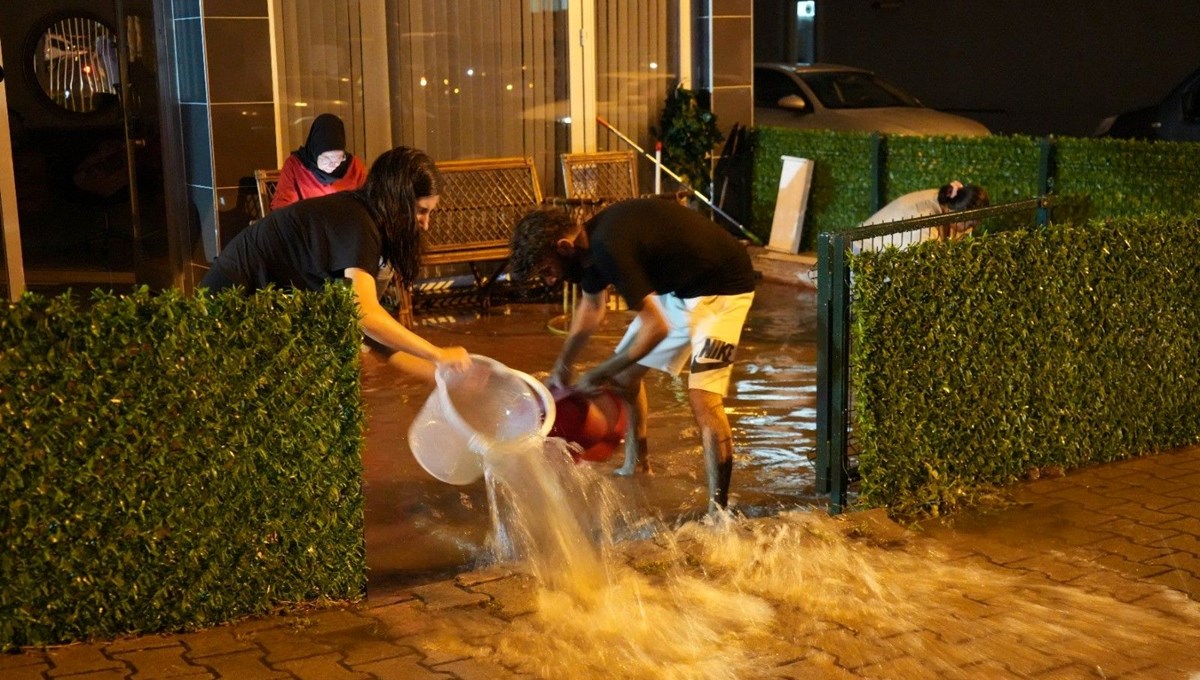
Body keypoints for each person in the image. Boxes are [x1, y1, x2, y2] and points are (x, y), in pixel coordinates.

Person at [509, 198, 757, 513]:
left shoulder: (609, 246)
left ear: (563, 248)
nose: (549, 281)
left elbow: (657, 328)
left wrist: (599, 373)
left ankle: (718, 513)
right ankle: (638, 463)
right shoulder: (587, 250)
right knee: (624, 379)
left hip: (723, 287)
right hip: (681, 288)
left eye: (546, 271)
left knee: (703, 399)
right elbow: (591, 308)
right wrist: (562, 367)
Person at [201, 146, 470, 384]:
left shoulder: (363, 218)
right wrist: (437, 354)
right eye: (421, 211)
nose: (425, 224)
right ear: (396, 200)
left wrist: (441, 374)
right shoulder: (358, 224)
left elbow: (371, 335)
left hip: (259, 307)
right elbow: (366, 315)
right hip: (232, 300)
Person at [271, 113, 368, 210]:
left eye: (339, 157)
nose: (333, 164)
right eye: (326, 158)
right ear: (315, 152)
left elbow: (368, 200)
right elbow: (282, 207)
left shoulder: (353, 166)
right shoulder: (295, 166)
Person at [857, 181, 989, 251]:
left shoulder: (947, 202)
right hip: (861, 256)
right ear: (956, 213)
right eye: (970, 224)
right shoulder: (924, 222)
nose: (971, 229)